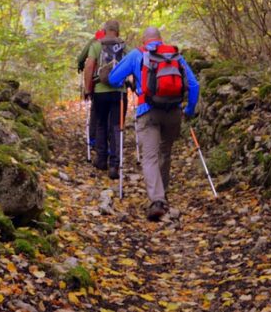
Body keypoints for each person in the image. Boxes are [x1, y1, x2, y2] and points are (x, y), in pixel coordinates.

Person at [108, 27, 199, 221]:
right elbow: (194, 85)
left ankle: (157, 201)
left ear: (144, 40)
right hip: (173, 112)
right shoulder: (175, 55)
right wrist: (189, 110)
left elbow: (113, 78)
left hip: (147, 111)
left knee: (149, 157)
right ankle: (163, 193)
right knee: (165, 152)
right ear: (160, 39)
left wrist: (130, 82)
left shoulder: (137, 54)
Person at [82, 20, 127, 179]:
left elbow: (89, 67)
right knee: (116, 126)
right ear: (118, 31)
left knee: (100, 123)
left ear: (105, 30)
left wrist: (88, 89)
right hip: (119, 92)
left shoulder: (96, 45)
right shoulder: (124, 46)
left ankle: (101, 159)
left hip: (100, 91)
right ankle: (115, 165)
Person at [76, 27, 105, 163]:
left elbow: (81, 58)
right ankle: (107, 140)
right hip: (112, 83)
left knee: (96, 110)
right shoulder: (116, 43)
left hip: (94, 81)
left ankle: (93, 139)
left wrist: (81, 65)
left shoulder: (93, 42)